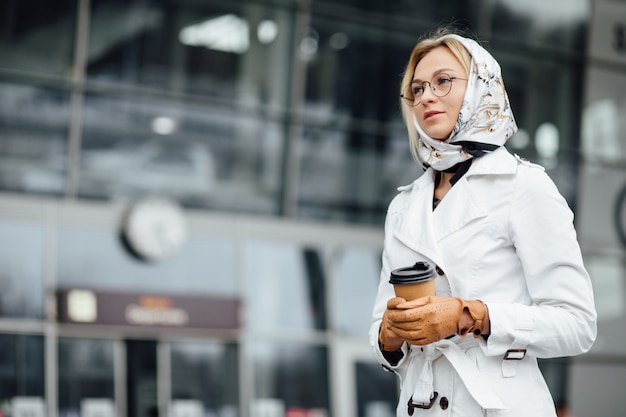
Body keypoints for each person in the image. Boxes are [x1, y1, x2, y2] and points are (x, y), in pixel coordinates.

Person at [369, 26, 597, 417]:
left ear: (480, 85)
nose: (427, 96)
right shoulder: (404, 206)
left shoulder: (525, 185)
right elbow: (381, 335)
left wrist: (468, 316)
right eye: (418, 88)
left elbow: (577, 325)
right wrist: (389, 335)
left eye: (443, 82)